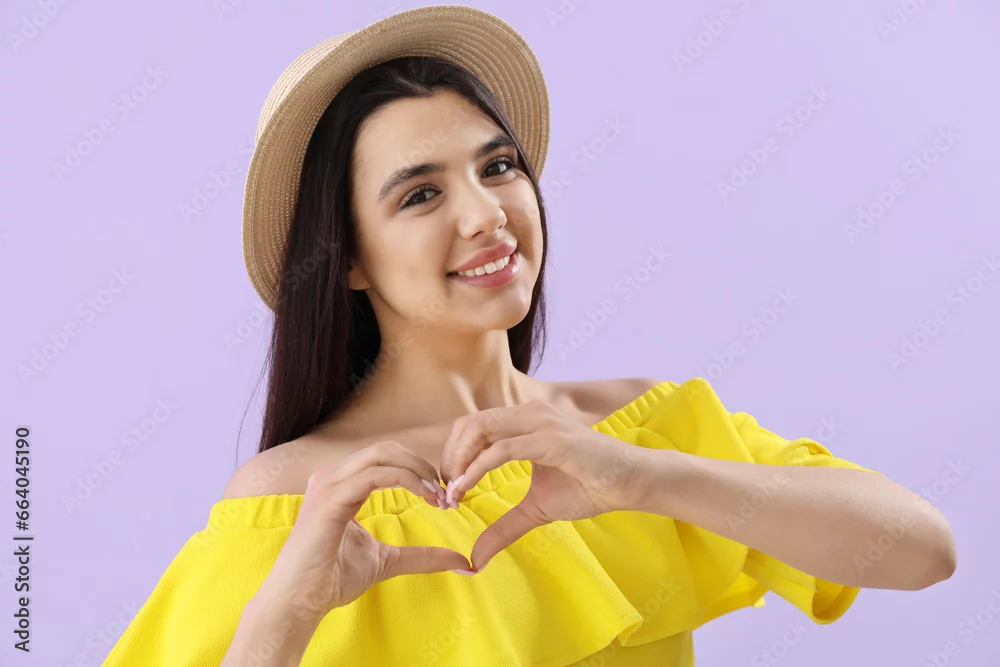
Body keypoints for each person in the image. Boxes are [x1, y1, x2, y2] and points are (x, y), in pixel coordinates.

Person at [102, 6, 957, 666]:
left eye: (498, 166)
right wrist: (285, 615)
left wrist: (641, 478)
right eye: (421, 194)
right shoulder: (301, 499)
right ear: (349, 260)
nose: (488, 214)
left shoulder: (632, 431)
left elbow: (922, 549)